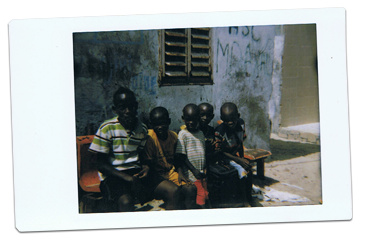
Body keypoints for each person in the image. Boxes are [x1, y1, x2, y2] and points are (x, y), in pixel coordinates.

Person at [89, 87, 179, 211]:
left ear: (136, 107)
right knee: (126, 202)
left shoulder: (141, 129)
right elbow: (100, 164)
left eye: (131, 107)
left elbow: (142, 156)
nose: (128, 111)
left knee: (173, 191)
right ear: (115, 110)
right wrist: (127, 178)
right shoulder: (107, 128)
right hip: (114, 176)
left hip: (136, 174)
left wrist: (146, 168)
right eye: (122, 108)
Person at [142, 106, 196, 209]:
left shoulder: (173, 136)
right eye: (156, 124)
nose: (160, 127)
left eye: (163, 123)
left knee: (191, 189)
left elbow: (177, 158)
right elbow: (148, 164)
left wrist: (180, 173)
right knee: (174, 191)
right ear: (151, 124)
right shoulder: (150, 138)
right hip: (154, 176)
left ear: (169, 122)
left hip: (170, 173)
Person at [214, 102, 254, 207]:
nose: (230, 122)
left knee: (248, 168)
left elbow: (240, 143)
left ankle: (248, 196)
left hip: (235, 155)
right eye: (226, 120)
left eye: (233, 119)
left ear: (238, 116)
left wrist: (242, 157)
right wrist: (239, 161)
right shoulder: (220, 131)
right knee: (242, 171)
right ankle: (244, 200)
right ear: (222, 119)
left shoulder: (241, 124)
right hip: (225, 158)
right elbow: (220, 151)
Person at [176, 103, 208, 208]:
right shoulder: (182, 134)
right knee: (201, 197)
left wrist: (204, 168)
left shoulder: (200, 134)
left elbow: (203, 152)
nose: (191, 122)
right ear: (183, 119)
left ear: (198, 118)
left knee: (205, 194)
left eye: (194, 119)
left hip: (201, 172)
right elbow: (182, 156)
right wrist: (194, 170)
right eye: (188, 119)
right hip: (191, 174)